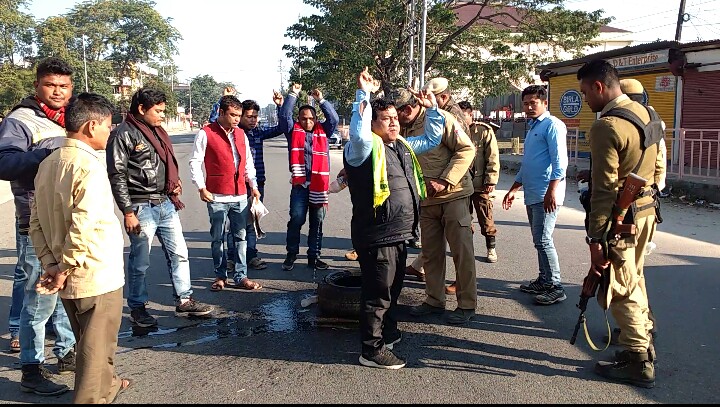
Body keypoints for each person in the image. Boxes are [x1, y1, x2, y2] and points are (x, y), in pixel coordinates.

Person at [30, 93, 130, 404]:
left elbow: (34, 222)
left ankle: (108, 385)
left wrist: (51, 264)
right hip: (94, 273)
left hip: (68, 272)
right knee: (94, 350)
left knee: (94, 343)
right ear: (90, 126)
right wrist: (62, 267)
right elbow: (84, 222)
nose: (110, 132)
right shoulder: (88, 166)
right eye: (108, 126)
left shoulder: (48, 163)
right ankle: (91, 397)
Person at [345, 68, 443, 369]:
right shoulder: (362, 148)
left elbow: (433, 137)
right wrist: (363, 96)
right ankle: (371, 350)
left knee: (393, 289)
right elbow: (359, 132)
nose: (394, 123)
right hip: (377, 234)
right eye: (386, 119)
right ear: (373, 123)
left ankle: (387, 333)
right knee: (378, 295)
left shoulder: (399, 145)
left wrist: (433, 109)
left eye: (396, 118)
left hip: (399, 234)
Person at [578, 60, 663, 388]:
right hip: (646, 213)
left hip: (621, 220)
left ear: (599, 87)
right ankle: (642, 335)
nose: (585, 99)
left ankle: (638, 359)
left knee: (621, 285)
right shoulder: (648, 114)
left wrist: (595, 236)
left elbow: (603, 190)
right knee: (636, 277)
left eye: (585, 92)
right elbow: (654, 167)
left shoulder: (606, 126)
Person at [0, 57, 76, 396]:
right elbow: (5, 162)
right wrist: (46, 154)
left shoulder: (71, 118)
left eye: (63, 86)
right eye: (51, 85)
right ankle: (31, 370)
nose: (58, 91)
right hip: (35, 220)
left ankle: (66, 351)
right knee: (38, 295)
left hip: (67, 219)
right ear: (37, 86)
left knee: (62, 290)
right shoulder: (21, 120)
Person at [107, 88, 213, 328]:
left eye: (164, 111)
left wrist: (173, 183)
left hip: (165, 203)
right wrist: (128, 212)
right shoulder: (123, 135)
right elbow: (117, 175)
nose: (163, 115)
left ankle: (184, 299)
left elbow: (164, 163)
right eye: (158, 111)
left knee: (179, 254)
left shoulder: (157, 132)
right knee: (140, 261)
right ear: (141, 109)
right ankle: (137, 307)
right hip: (141, 207)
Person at [393, 86, 478, 326]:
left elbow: (467, 150)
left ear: (409, 108)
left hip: (454, 195)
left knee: (462, 254)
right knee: (431, 254)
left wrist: (445, 180)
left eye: (398, 113)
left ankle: (467, 305)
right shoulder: (401, 126)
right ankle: (434, 300)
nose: (395, 119)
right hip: (425, 201)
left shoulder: (442, 118)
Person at [502, 85, 568, 306]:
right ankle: (544, 279)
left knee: (543, 240)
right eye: (526, 103)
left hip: (546, 194)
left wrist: (552, 191)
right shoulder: (533, 127)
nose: (529, 107)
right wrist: (514, 188)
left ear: (544, 103)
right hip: (533, 193)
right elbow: (528, 162)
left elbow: (560, 163)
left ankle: (556, 286)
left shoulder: (553, 126)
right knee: (538, 240)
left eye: (534, 103)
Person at [189, 95, 263, 291]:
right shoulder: (206, 133)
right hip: (217, 196)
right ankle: (220, 276)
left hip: (240, 195)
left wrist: (253, 186)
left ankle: (241, 276)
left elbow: (248, 164)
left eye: (239, 115)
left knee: (241, 237)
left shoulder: (241, 134)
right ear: (221, 113)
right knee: (218, 239)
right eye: (232, 115)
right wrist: (201, 187)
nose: (237, 119)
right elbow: (195, 162)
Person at [279, 84, 339, 271]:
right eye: (304, 119)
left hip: (319, 186)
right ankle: (291, 254)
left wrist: (321, 100)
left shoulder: (324, 131)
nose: (308, 122)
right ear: (298, 119)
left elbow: (334, 118)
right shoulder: (292, 131)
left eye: (311, 118)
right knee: (296, 219)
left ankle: (314, 256)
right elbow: (283, 116)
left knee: (317, 223)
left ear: (316, 119)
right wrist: (293, 94)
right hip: (300, 186)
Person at [236, 96, 288, 270]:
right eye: (249, 116)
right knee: (235, 223)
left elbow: (281, 127)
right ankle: (232, 258)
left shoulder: (258, 132)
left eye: (255, 117)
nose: (253, 120)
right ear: (240, 116)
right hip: (237, 184)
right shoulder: (234, 132)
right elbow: (214, 123)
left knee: (251, 222)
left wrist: (280, 106)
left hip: (257, 184)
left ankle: (251, 256)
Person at [460, 100, 500, 263]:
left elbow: (492, 157)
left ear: (470, 114)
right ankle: (467, 249)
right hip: (461, 185)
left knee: (486, 217)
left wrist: (490, 180)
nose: (460, 119)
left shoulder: (483, 131)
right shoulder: (455, 131)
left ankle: (491, 248)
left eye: (463, 116)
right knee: (464, 220)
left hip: (480, 184)